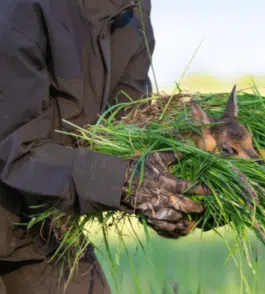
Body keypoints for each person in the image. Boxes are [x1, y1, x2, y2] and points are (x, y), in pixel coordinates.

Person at [0, 0, 213, 293]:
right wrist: (126, 183)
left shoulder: (131, 11)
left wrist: (181, 183)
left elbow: (123, 130)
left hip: (39, 219)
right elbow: (14, 148)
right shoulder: (20, 10)